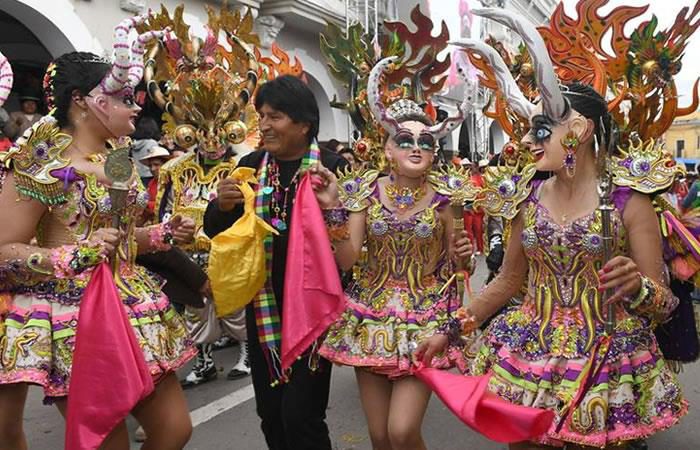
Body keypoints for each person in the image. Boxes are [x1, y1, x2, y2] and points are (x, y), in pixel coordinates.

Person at [433, 7, 690, 448]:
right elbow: (509, 280)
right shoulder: (527, 198)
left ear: (578, 130)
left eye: (541, 129)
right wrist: (452, 328)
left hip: (604, 364)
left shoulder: (628, 202)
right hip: (529, 357)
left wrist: (637, 287)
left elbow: (664, 304)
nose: (528, 140)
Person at [0, 17, 197, 450]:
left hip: (131, 302)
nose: (135, 107)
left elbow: (122, 238)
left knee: (174, 429)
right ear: (82, 102)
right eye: (123, 97)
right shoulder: (40, 167)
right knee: (106, 443)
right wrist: (69, 256)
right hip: (78, 317)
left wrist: (164, 232)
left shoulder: (120, 159)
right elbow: (3, 248)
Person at [311, 55, 474, 450]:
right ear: (387, 149)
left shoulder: (446, 199)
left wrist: (465, 255)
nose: (416, 147)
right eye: (405, 140)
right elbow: (346, 258)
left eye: (425, 142)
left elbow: (460, 266)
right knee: (381, 436)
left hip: (425, 318)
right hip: (371, 317)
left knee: (402, 431)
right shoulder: (364, 192)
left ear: (435, 153)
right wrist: (333, 210)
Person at [204, 74, 347, 450]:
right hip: (264, 304)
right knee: (271, 414)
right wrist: (223, 204)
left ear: (304, 124)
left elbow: (352, 241)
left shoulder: (332, 168)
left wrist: (333, 207)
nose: (264, 125)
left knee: (302, 415)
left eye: (276, 116)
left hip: (314, 307)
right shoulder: (251, 166)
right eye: (262, 115)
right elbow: (215, 227)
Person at [140, 6, 258, 387]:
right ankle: (205, 362)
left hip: (229, 252)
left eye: (219, 131)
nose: (210, 141)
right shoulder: (174, 169)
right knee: (196, 311)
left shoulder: (242, 168)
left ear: (231, 131)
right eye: (198, 132)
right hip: (189, 252)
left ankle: (247, 354)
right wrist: (169, 240)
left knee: (236, 308)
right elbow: (161, 212)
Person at [138, 144, 171, 224]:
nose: (152, 169)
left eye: (156, 165)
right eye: (150, 166)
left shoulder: (174, 182)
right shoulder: (152, 183)